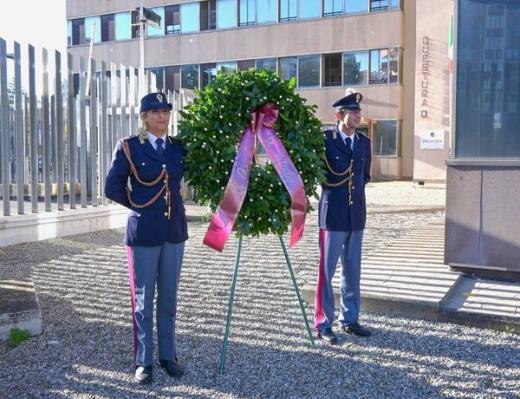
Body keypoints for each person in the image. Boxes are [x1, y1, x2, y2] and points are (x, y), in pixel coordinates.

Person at [105, 92, 188, 384]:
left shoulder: (179, 147)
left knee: (168, 298)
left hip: (174, 231)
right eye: (155, 112)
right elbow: (112, 187)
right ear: (144, 117)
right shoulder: (130, 147)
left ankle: (168, 355)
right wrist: (140, 206)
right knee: (143, 301)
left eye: (165, 111)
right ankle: (144, 362)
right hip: (143, 233)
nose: (161, 117)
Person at [314, 89, 372, 344]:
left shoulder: (363, 143)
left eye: (359, 111)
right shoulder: (325, 140)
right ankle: (323, 322)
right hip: (333, 216)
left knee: (352, 270)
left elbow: (365, 176)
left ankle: (349, 319)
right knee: (326, 272)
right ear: (340, 115)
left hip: (356, 215)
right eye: (353, 112)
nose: (358, 115)